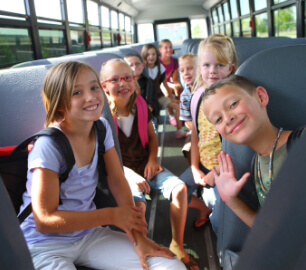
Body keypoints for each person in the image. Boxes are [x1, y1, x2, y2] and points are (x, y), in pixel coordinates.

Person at [20, 61, 186, 270]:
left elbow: (117, 180)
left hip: (89, 235)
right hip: (44, 245)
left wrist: (138, 237)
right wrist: (112, 216)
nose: (91, 97)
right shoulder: (48, 146)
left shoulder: (101, 127)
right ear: (59, 103)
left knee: (170, 265)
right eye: (77, 92)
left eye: (94, 87)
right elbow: (44, 220)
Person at [100, 58, 198, 270]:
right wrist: (131, 176)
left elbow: (153, 139)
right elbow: (107, 161)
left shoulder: (141, 105)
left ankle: (177, 244)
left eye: (128, 78)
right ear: (104, 86)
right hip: (122, 173)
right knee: (138, 207)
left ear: (135, 80)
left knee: (180, 188)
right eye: (114, 79)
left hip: (146, 164)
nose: (123, 83)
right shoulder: (103, 119)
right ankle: (143, 250)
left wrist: (153, 159)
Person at [203, 74, 306, 227]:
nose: (227, 118)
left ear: (260, 97)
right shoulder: (256, 168)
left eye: (233, 104)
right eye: (218, 119)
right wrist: (231, 200)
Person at [181, 34, 238, 233]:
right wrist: (195, 167)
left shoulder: (235, 102)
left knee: (219, 221)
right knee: (177, 193)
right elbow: (196, 135)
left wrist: (216, 173)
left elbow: (239, 146)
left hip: (226, 169)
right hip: (203, 164)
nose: (212, 71)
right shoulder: (197, 96)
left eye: (220, 65)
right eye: (206, 65)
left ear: (230, 68)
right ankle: (204, 209)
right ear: (199, 68)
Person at [141, 43, 187, 139]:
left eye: (153, 54)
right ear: (144, 55)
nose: (151, 57)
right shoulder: (142, 69)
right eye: (148, 54)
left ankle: (180, 131)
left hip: (159, 96)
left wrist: (171, 98)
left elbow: (165, 84)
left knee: (177, 107)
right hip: (147, 98)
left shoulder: (160, 67)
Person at [123, 52, 160, 119]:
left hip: (143, 115)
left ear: (143, 65)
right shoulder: (122, 84)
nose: (135, 67)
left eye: (137, 63)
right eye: (130, 65)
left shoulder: (149, 83)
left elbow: (152, 104)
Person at [178, 53, 197, 164]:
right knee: (188, 149)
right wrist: (198, 130)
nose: (186, 73)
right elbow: (187, 121)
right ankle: (195, 169)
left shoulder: (208, 89)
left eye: (190, 68)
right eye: (182, 70)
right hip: (195, 130)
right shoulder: (185, 95)